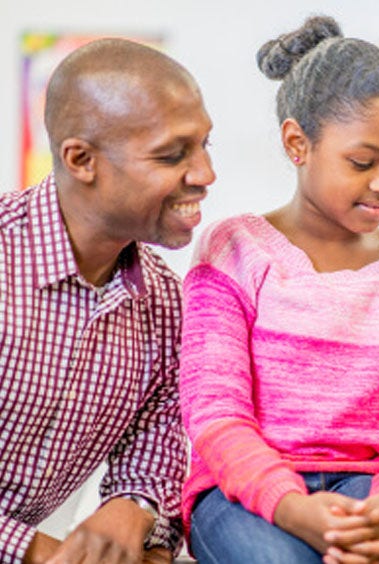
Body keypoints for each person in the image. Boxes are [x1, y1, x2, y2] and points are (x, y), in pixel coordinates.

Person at [179, 15, 379, 564]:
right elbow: (214, 414)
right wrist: (293, 509)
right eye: (362, 162)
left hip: (374, 485)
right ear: (298, 143)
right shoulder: (234, 250)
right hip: (241, 493)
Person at [0, 38, 215, 563]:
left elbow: (158, 452)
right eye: (172, 154)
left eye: (207, 145)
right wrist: (38, 551)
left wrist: (134, 508)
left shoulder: (166, 304)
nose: (205, 174)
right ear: (81, 160)